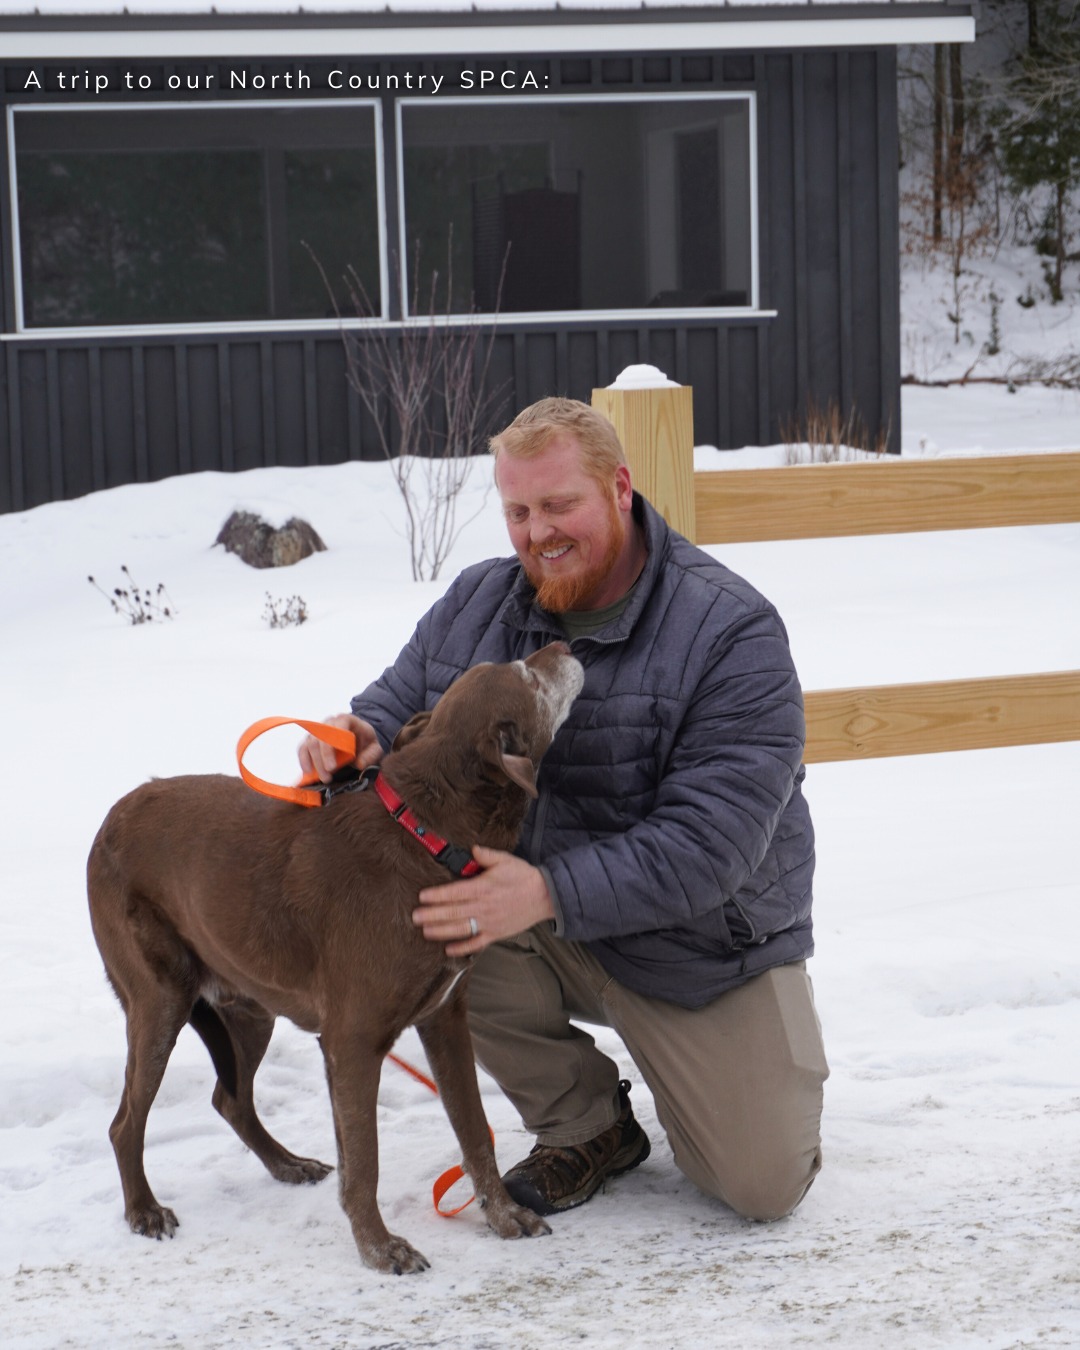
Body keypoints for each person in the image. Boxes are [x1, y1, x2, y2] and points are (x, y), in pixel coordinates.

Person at [300, 397, 827, 1222]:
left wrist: (546, 892)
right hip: (533, 925)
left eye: (558, 505)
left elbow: (711, 845)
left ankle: (712, 1078)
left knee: (761, 1184)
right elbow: (400, 701)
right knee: (432, 910)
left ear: (619, 488)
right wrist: (353, 734)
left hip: (698, 945)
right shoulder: (479, 601)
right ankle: (584, 1124)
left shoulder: (731, 631)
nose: (536, 531)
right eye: (517, 510)